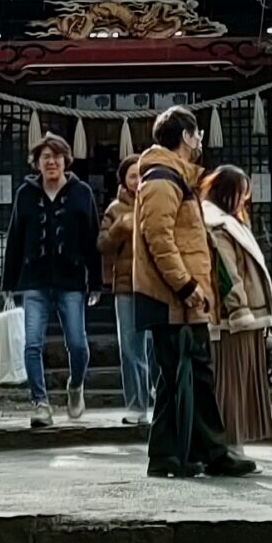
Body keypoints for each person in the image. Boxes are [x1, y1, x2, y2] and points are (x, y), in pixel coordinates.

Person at [127, 106, 253, 481]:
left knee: (175, 378)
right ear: (185, 136)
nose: (199, 141)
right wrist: (187, 285)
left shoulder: (171, 179)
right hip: (173, 298)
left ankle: (168, 455)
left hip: (177, 298)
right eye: (196, 134)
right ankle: (213, 452)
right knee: (195, 374)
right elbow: (160, 239)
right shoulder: (163, 180)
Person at [5, 131, 99, 428]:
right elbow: (15, 238)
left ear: (65, 161)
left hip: (71, 279)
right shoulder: (25, 194)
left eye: (56, 157)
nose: (51, 163)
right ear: (36, 163)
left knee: (77, 343)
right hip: (35, 279)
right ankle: (40, 402)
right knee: (32, 343)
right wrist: (9, 281)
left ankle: (75, 385)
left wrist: (95, 281)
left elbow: (92, 238)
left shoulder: (82, 192)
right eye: (45, 157)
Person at [201, 161, 272, 447]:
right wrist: (239, 308)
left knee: (236, 383)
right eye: (242, 193)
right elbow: (227, 271)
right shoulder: (218, 225)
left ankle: (232, 444)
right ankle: (229, 446)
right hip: (234, 318)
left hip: (241, 316)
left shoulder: (222, 222)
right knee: (231, 384)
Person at [101, 148, 156, 433]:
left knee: (154, 346)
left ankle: (158, 400)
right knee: (130, 346)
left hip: (156, 284)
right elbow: (102, 245)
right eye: (133, 176)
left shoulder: (158, 203)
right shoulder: (115, 209)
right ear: (124, 180)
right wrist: (119, 230)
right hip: (125, 285)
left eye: (142, 175)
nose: (138, 181)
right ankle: (136, 405)